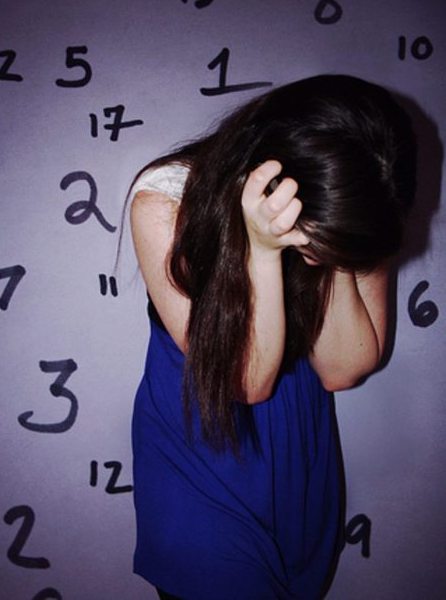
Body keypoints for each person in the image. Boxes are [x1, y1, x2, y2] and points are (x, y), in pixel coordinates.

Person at [126, 74, 416, 600]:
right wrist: (261, 250)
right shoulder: (165, 201)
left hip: (297, 453)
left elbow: (341, 368)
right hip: (203, 443)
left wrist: (335, 248)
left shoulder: (363, 202)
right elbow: (245, 381)